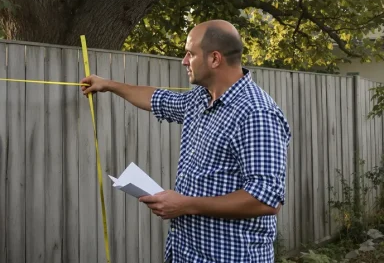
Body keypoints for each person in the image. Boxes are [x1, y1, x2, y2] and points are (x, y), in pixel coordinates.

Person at [80, 20, 291, 263]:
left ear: (214, 59)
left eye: (190, 53)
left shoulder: (256, 113)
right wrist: (108, 85)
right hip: (186, 254)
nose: (184, 60)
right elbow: (158, 99)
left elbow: (266, 198)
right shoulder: (201, 100)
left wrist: (186, 204)